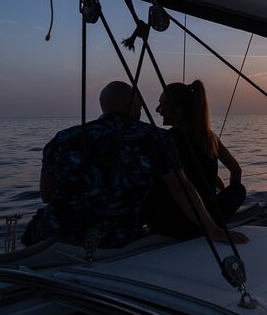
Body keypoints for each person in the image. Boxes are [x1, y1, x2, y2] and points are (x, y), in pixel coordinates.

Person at [22, 81, 248, 248]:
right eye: (140, 105)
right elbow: (182, 187)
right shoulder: (158, 138)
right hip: (115, 237)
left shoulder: (62, 138)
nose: (145, 110)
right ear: (127, 104)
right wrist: (213, 230)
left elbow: (46, 195)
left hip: (55, 232)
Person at [142, 80, 246, 239]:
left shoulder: (166, 139)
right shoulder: (209, 138)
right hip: (210, 219)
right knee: (238, 190)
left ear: (178, 110)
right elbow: (236, 170)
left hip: (172, 224)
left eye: (162, 105)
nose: (157, 110)